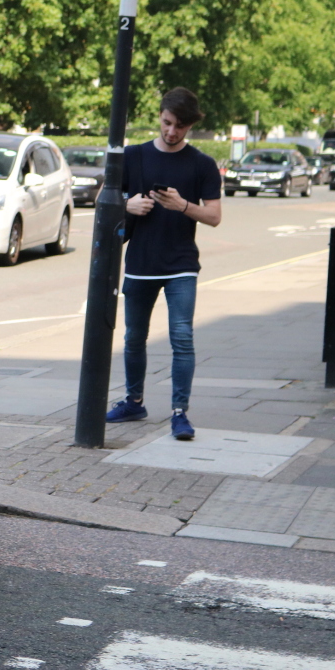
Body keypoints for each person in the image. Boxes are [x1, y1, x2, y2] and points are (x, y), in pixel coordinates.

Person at [106, 87, 222, 440]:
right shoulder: (134, 156)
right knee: (134, 338)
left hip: (182, 265)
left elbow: (214, 216)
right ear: (160, 116)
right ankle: (134, 401)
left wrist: (182, 205)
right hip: (140, 261)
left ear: (190, 127)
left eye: (180, 127)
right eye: (168, 123)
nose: (172, 132)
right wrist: (128, 205)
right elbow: (102, 200)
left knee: (182, 338)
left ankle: (179, 413)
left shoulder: (202, 164)